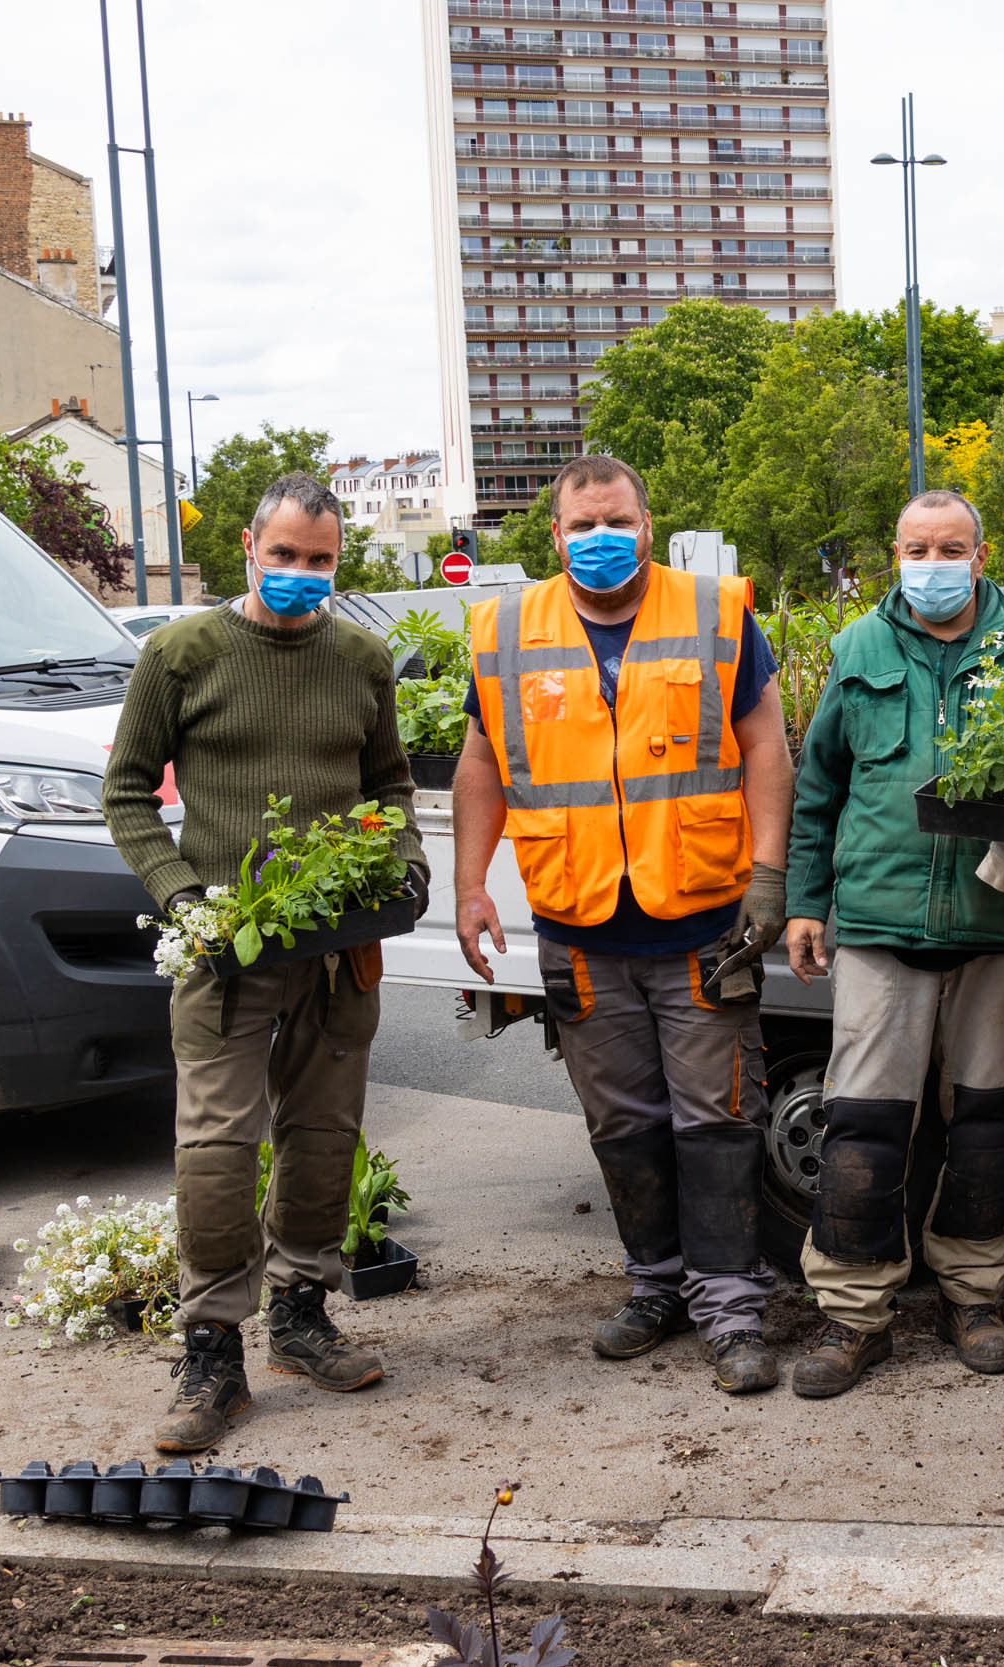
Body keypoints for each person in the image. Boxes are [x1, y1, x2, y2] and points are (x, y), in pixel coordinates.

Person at [451, 454, 792, 1395]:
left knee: (720, 1118)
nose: (601, 539)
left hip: (703, 926)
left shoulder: (716, 611)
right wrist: (470, 882)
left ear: (648, 524)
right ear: (553, 536)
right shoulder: (506, 628)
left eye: (618, 522)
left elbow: (767, 744)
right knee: (622, 1124)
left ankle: (730, 1305)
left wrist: (771, 878)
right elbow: (481, 762)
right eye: (582, 526)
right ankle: (656, 1288)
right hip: (581, 927)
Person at [106, 471, 424, 1453]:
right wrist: (182, 894)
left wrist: (400, 860)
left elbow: (389, 787)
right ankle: (210, 1352)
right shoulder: (182, 653)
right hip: (222, 951)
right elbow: (123, 794)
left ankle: (300, 1316)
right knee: (214, 1149)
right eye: (282, 554)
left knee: (324, 1135)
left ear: (338, 560)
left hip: (337, 950)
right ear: (249, 545)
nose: (299, 573)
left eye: (318, 559)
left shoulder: (362, 660)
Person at [781, 490, 1004, 1399]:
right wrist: (804, 901)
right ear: (894, 554)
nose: (933, 562)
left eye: (951, 547)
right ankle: (852, 1315)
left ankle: (974, 1298)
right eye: (917, 546)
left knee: (989, 1121)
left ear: (982, 557)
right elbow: (818, 784)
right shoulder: (858, 650)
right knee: (863, 1123)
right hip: (878, 921)